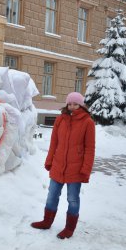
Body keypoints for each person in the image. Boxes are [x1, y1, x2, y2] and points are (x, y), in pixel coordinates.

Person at [31, 92, 95, 239]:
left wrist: (86, 169)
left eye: (76, 104)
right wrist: (49, 161)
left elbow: (90, 148)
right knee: (52, 195)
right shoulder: (60, 119)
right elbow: (54, 142)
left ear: (81, 105)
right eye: (70, 104)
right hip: (58, 166)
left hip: (76, 169)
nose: (72, 107)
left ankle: (69, 229)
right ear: (67, 104)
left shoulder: (87, 122)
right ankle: (47, 222)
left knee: (73, 199)